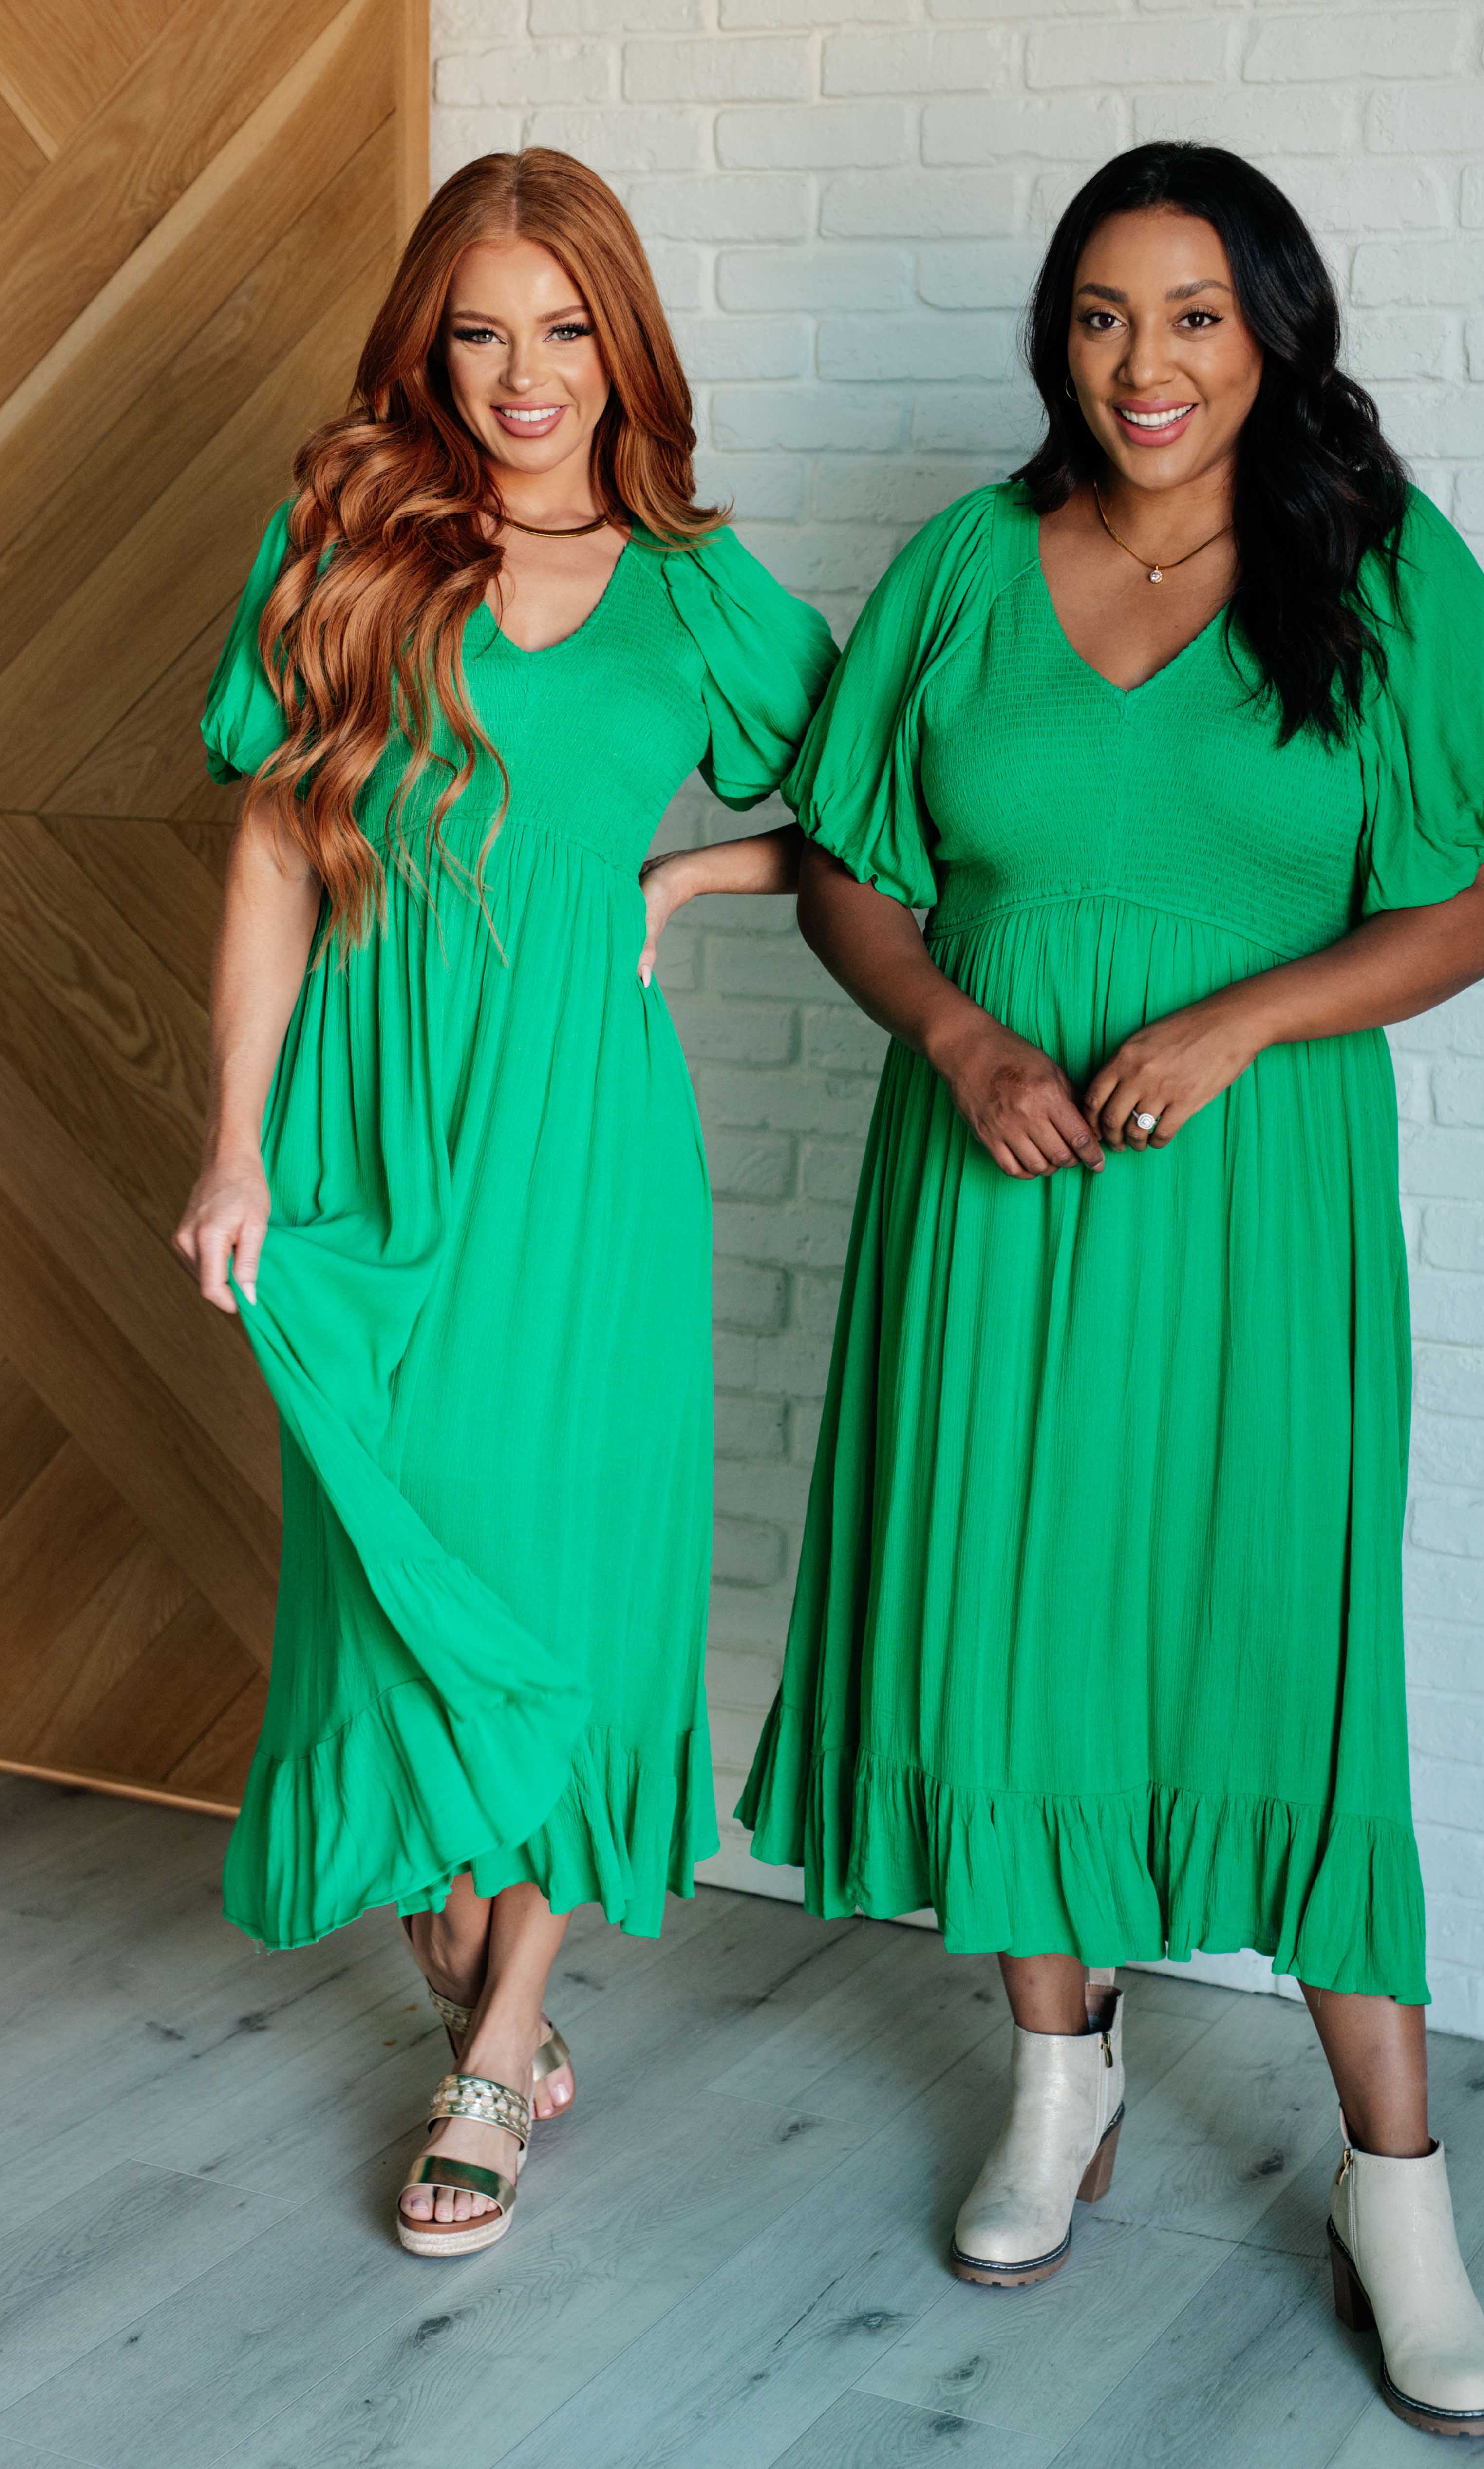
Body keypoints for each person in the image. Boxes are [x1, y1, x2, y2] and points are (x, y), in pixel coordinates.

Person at [738, 141, 1484, 2438]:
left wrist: (1242, 1019)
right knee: (1004, 1623)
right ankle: (1059, 2078)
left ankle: (1395, 2186)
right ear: (1059, 338)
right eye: (1103, 313)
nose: (1146, 361)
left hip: (1251, 1200)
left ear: (1273, 330)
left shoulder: (1378, 568)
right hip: (992, 1183)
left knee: (1282, 1643)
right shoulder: (965, 565)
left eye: (1195, 312)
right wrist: (956, 1035)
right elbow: (852, 866)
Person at [174, 147, 834, 2258]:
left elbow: (893, 804)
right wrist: (234, 1140)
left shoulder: (696, 587)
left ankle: (498, 2044)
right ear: (428, 345)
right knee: (395, 1580)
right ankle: (477, 1958)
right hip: (367, 1132)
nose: (524, 373)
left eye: (564, 329)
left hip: (583, 1160)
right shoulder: (345, 541)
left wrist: (692, 873)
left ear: (621, 345)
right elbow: (274, 852)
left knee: (570, 1574)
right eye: (480, 331)